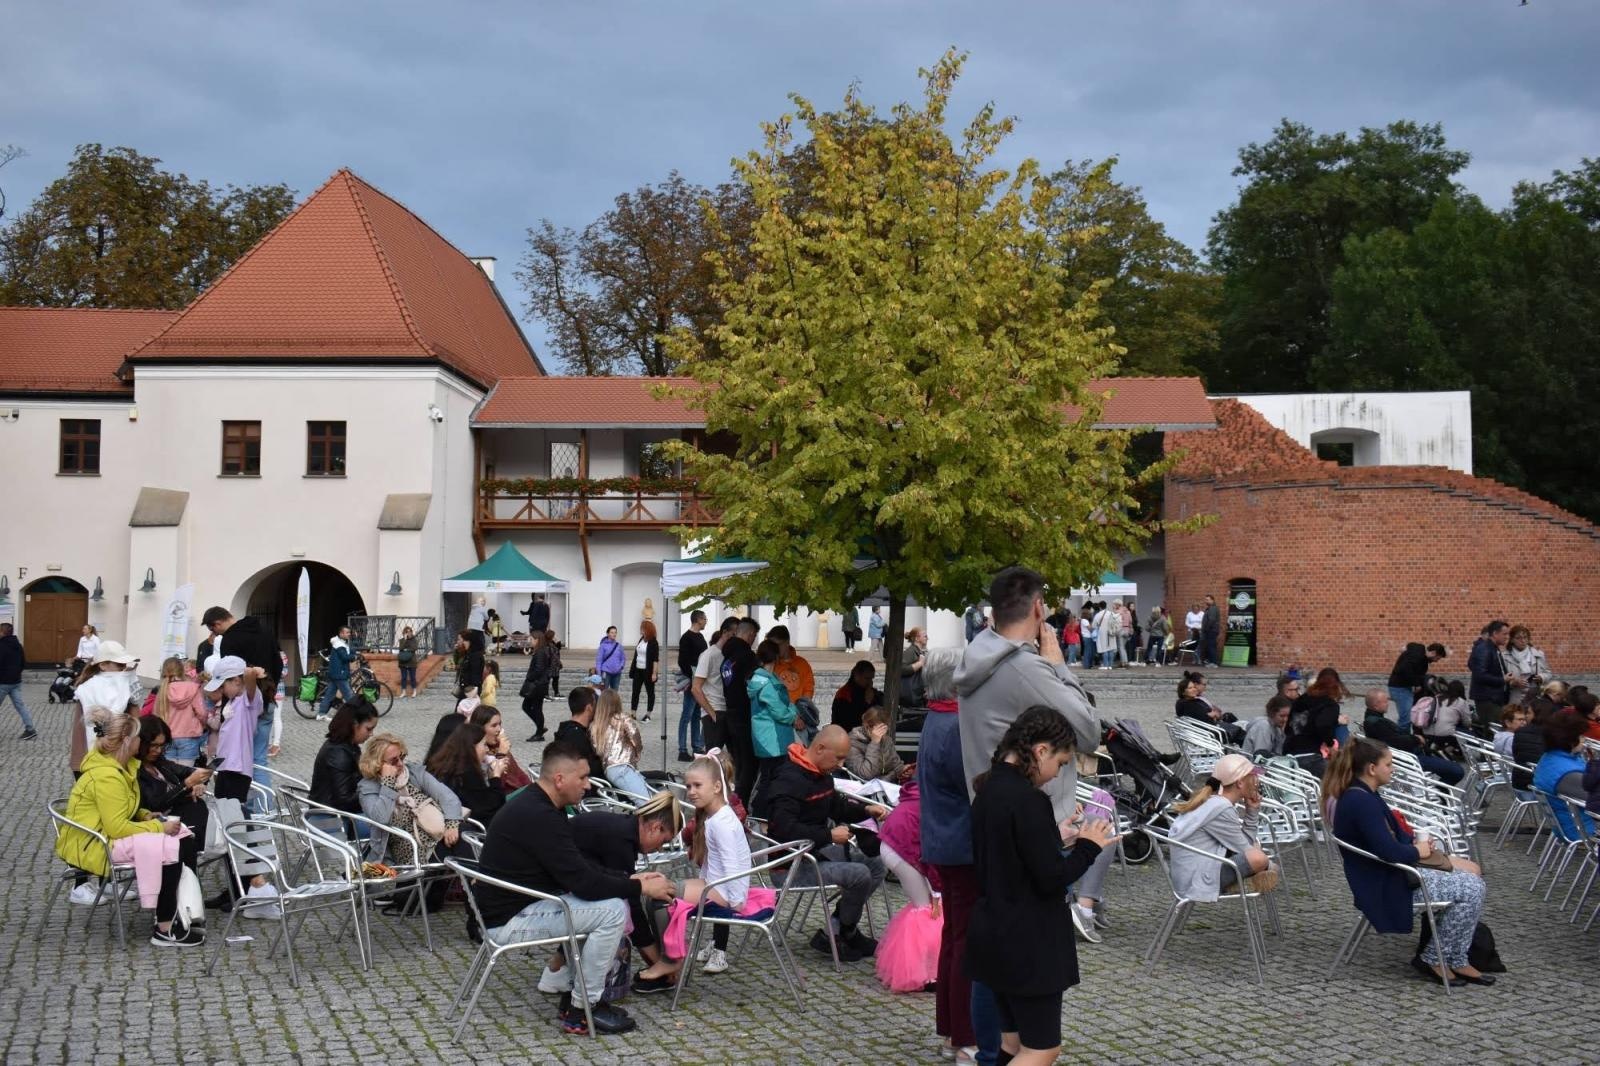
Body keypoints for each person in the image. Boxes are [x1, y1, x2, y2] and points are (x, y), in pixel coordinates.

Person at [473, 741, 676, 1035]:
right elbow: (584, 883)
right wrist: (638, 887)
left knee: (602, 905)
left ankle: (574, 999)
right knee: (613, 911)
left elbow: (579, 870)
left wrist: (635, 881)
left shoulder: (541, 806)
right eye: (582, 777)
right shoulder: (540, 815)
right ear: (560, 779)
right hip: (507, 921)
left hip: (519, 905)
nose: (588, 784)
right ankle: (583, 1010)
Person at [967, 706, 1118, 1066]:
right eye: (1061, 763)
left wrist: (1055, 838)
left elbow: (1012, 854)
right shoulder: (1027, 799)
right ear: (1041, 750)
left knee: (1012, 1043)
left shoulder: (989, 788)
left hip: (994, 933)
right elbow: (1051, 878)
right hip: (1028, 942)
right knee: (1041, 1049)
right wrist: (1088, 847)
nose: (1057, 774)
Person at [1326, 737, 1491, 988]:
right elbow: (1389, 851)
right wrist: (1417, 850)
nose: (1392, 769)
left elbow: (1390, 839)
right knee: (1472, 887)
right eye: (1389, 764)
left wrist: (1416, 843)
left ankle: (1454, 957)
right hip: (1386, 885)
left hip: (1390, 875)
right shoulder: (1360, 801)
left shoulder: (1363, 794)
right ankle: (1437, 958)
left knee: (1471, 881)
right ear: (1372, 768)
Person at [957, 566, 1099, 826]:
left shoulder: (978, 656)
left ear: (993, 613)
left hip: (995, 815)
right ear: (1038, 608)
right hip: (1039, 823)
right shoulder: (1024, 668)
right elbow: (1089, 734)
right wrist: (1059, 667)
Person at [58, 710, 200, 947]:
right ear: (126, 741)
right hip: (96, 844)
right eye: (137, 738)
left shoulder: (121, 767)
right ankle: (164, 927)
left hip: (105, 835)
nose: (140, 742)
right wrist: (157, 827)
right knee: (170, 846)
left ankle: (178, 910)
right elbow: (116, 827)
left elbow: (122, 811)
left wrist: (144, 815)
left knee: (182, 837)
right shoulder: (108, 776)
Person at [767, 726, 889, 961]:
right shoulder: (788, 780)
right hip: (789, 865)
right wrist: (829, 836)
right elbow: (784, 830)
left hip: (816, 852)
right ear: (820, 748)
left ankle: (838, 928)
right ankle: (844, 932)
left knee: (877, 865)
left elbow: (837, 807)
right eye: (839, 758)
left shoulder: (821, 775)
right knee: (860, 874)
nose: (841, 765)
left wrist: (866, 810)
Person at [915, 649, 978, 1061]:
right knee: (965, 940)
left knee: (956, 937)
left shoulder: (937, 718)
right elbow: (973, 786)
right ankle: (966, 1035)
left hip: (945, 839)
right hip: (961, 843)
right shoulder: (955, 725)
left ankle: (955, 1030)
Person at [658, 754, 758, 983]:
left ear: (716, 787)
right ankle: (668, 956)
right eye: (688, 786)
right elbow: (712, 862)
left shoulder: (722, 822)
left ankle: (669, 960)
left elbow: (732, 866)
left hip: (726, 891)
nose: (691, 792)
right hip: (717, 885)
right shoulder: (717, 816)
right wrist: (702, 880)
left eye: (697, 785)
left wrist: (736, 902)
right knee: (661, 889)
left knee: (662, 897)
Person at [356, 732, 465, 911]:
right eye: (393, 761)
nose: (400, 764)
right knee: (466, 843)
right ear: (378, 764)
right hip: (409, 854)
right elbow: (381, 818)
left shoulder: (413, 773)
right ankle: (484, 887)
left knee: (464, 834)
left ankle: (480, 887)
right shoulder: (368, 788)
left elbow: (448, 797)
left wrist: (452, 825)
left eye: (402, 757)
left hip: (436, 838)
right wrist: (388, 783)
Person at [1168, 753, 1272, 900]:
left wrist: (1252, 810)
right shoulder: (1222, 808)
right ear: (1240, 783)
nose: (1256, 781)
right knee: (1258, 858)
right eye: (1253, 776)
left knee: (1256, 850)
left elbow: (1243, 846)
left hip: (1188, 874)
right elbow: (1245, 849)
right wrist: (1269, 865)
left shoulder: (1213, 801)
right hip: (1195, 881)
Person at [874, 778, 943, 993]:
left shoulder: (924, 794)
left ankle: (925, 968)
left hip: (894, 844)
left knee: (922, 905)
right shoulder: (936, 804)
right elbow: (932, 853)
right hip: (901, 850)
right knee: (927, 908)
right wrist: (937, 891)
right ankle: (926, 973)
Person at [134, 715, 210, 876]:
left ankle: (250, 879)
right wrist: (187, 784)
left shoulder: (159, 762)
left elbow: (186, 771)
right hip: (161, 822)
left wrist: (197, 782)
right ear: (141, 743)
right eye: (153, 745)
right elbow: (154, 804)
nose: (158, 750)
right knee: (227, 824)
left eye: (161, 746)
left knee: (236, 814)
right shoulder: (135, 770)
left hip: (184, 818)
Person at [1359, 689, 1466, 786]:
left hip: (1408, 756)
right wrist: (1416, 739)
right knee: (1457, 771)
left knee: (1450, 766)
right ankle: (1439, 795)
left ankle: (1439, 794)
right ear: (1376, 706)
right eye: (1385, 701)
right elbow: (1397, 742)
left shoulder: (1373, 720)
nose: (1388, 704)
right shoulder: (1376, 723)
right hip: (1410, 759)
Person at [309, 701, 379, 838]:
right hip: (331, 820)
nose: (371, 734)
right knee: (391, 825)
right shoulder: (338, 753)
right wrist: (376, 789)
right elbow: (344, 801)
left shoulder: (346, 745)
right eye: (368, 729)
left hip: (337, 814)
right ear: (354, 725)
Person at [748, 638, 800, 816]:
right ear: (776, 657)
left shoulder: (758, 679)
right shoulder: (767, 683)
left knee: (768, 777)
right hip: (774, 739)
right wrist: (793, 712)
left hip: (764, 737)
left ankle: (763, 814)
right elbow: (780, 712)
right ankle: (761, 815)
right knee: (772, 780)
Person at [426, 721, 506, 827]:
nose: (487, 749)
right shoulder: (467, 773)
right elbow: (489, 807)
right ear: (472, 747)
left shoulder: (444, 765)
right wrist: (495, 778)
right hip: (471, 828)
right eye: (484, 744)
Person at [1532, 711, 1595, 843]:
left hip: (1566, 823)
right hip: (1583, 827)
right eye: (1581, 736)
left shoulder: (1551, 758)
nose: (1584, 740)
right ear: (1570, 740)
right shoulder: (1568, 773)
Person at [719, 618, 761, 802]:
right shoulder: (747, 657)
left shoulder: (727, 657)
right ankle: (740, 803)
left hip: (731, 713)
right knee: (749, 765)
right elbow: (756, 686)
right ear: (750, 634)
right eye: (754, 636)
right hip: (746, 715)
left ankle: (734, 797)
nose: (754, 640)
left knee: (738, 763)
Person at [1283, 666, 1350, 776]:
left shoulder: (1301, 699)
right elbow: (1323, 725)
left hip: (1289, 753)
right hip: (1310, 756)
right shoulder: (1329, 704)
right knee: (1341, 776)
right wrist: (1330, 744)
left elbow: (1288, 728)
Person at [146, 656, 207, 764]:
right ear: (182, 671)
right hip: (189, 735)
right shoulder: (193, 688)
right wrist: (202, 725)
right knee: (187, 772)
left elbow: (156, 716)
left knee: (169, 771)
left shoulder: (163, 690)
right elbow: (202, 713)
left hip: (168, 736)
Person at [591, 688, 648, 800]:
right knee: (645, 801)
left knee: (641, 798)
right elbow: (635, 735)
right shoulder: (623, 718)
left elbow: (596, 748)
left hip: (609, 768)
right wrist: (638, 752)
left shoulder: (596, 725)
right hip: (622, 765)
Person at [691, 619, 735, 753]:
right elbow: (696, 688)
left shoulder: (730, 654)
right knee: (712, 755)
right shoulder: (709, 655)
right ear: (725, 632)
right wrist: (712, 713)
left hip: (729, 710)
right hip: (715, 710)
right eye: (734, 634)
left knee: (735, 755)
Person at [1468, 620, 1520, 733]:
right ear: (1495, 634)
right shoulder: (1484, 649)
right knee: (1494, 731)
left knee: (1496, 730)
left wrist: (1507, 679)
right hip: (1488, 699)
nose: (1507, 637)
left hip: (1495, 698)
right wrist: (1502, 680)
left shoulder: (1493, 648)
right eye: (1504, 634)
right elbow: (1480, 675)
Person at [1385, 642, 1447, 731]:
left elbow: (1411, 646)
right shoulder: (1417, 655)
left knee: (1408, 716)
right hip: (1400, 688)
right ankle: (1402, 738)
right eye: (1437, 658)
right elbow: (1404, 669)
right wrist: (1416, 684)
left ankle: (1404, 736)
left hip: (1403, 687)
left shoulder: (1420, 654)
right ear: (1433, 653)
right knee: (1406, 719)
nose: (1436, 661)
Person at [676, 610, 710, 762]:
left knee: (696, 715)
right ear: (698, 620)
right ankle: (682, 750)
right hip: (692, 681)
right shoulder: (686, 638)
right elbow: (682, 661)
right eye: (704, 618)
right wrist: (693, 677)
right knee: (687, 715)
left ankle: (697, 746)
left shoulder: (701, 637)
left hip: (700, 680)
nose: (706, 621)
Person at [557, 687, 606, 788]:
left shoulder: (567, 730)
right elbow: (589, 769)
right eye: (595, 705)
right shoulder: (576, 736)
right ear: (589, 708)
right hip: (593, 788)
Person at [847, 706, 911, 783]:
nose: (883, 733)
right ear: (867, 726)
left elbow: (896, 765)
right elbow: (867, 775)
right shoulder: (853, 742)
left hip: (886, 785)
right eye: (879, 729)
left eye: (885, 728)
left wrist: (903, 770)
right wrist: (874, 743)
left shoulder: (886, 740)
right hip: (864, 787)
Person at [0, 623, 38, 741]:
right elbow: (23, 663)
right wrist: (16, 674)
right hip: (16, 681)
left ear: (2, 632)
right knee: (20, 706)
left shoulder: (1, 645)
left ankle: (30, 730)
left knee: (20, 705)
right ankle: (30, 729)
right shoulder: (18, 645)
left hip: (3, 682)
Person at [519, 629, 557, 742]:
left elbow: (539, 669)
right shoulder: (542, 650)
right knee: (532, 707)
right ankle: (540, 728)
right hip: (540, 684)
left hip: (538, 685)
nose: (530, 641)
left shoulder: (540, 652)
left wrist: (529, 677)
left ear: (537, 640)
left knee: (534, 708)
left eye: (531, 639)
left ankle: (539, 732)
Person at [830, 660, 883, 735]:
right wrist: (867, 703)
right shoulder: (844, 694)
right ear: (857, 676)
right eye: (867, 678)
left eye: (872, 678)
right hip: (845, 734)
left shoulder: (870, 691)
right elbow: (848, 721)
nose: (870, 682)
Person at [315, 627, 356, 719]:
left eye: (349, 632)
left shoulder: (341, 643)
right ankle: (357, 714)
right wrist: (355, 657)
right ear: (341, 633)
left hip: (336, 673)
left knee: (329, 695)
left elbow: (350, 651)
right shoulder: (339, 645)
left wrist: (354, 652)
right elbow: (345, 657)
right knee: (349, 694)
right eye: (347, 632)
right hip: (339, 674)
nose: (349, 634)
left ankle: (321, 714)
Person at [1503, 625, 1554, 693]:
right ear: (1512, 640)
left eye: (1525, 637)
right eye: (1518, 638)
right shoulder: (1505, 656)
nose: (1523, 641)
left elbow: (1548, 673)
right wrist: (1513, 683)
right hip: (1514, 695)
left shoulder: (1538, 654)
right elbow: (1500, 679)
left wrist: (1541, 677)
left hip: (1534, 694)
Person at [628, 620, 660, 722]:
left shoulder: (654, 642)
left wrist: (654, 673)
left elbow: (655, 659)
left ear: (647, 629)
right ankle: (633, 713)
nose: (640, 629)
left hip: (648, 671)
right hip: (638, 670)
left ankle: (648, 714)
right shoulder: (641, 640)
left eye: (642, 627)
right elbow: (636, 655)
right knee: (635, 692)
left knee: (650, 693)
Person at [455, 627, 486, 701]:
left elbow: (475, 676)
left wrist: (472, 693)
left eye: (464, 640)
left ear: (470, 641)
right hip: (465, 690)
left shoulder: (475, 656)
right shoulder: (468, 654)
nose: (463, 643)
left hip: (470, 692)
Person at [902, 627, 930, 706]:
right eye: (925, 636)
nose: (927, 638)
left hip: (919, 694)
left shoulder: (920, 651)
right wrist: (920, 663)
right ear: (917, 638)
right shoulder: (910, 651)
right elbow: (902, 669)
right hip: (912, 696)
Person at [594, 626, 626, 692]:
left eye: (615, 632)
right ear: (608, 634)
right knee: (604, 692)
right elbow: (599, 660)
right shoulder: (603, 646)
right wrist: (599, 674)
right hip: (606, 672)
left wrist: (621, 666)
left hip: (617, 673)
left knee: (614, 693)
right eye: (612, 632)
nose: (614, 634)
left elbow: (623, 658)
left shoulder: (619, 646)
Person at [1094, 600, 1122, 670]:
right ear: (1106, 606)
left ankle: (1105, 665)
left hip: (1102, 633)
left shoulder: (1098, 615)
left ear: (1100, 607)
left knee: (1104, 649)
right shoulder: (1111, 613)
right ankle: (1110, 665)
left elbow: (1094, 625)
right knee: (1111, 649)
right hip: (1111, 632)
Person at [396, 625, 420, 699]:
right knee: (403, 677)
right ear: (404, 633)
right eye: (407, 632)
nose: (409, 633)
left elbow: (414, 648)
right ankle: (404, 692)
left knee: (413, 677)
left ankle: (414, 691)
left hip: (412, 661)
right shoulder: (402, 640)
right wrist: (405, 640)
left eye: (410, 631)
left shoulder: (414, 640)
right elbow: (401, 648)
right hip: (403, 661)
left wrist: (406, 649)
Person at [1200, 594, 1221, 667]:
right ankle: (1212, 661)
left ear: (1212, 600)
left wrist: (1206, 629)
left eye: (1207, 600)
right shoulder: (1210, 608)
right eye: (1205, 600)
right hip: (1211, 630)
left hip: (1211, 630)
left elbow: (1211, 620)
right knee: (1211, 646)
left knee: (1211, 646)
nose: (1206, 601)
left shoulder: (1213, 608)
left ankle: (1214, 662)